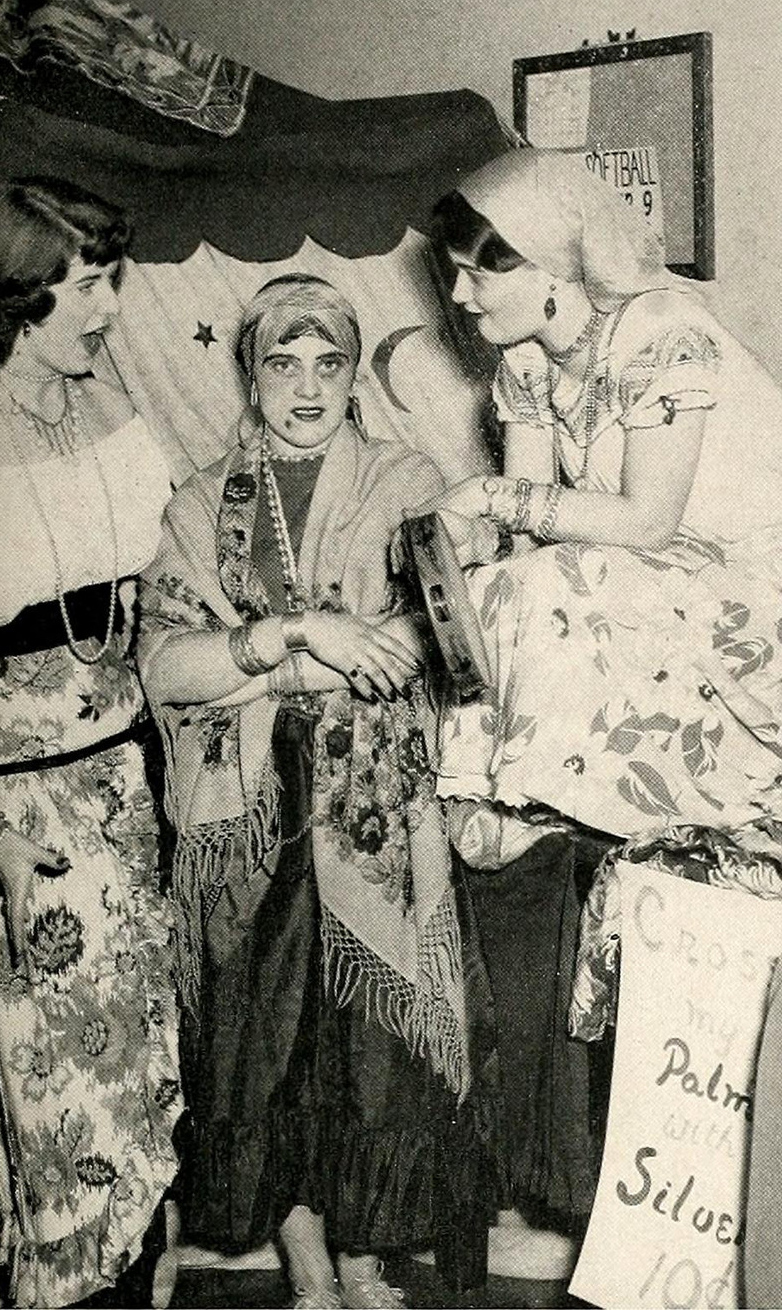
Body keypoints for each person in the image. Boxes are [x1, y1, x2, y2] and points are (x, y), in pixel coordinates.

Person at [418, 147, 782, 1270]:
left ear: (553, 263)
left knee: (546, 586)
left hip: (744, 599)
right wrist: (474, 531)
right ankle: (507, 800)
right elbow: (530, 530)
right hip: (651, 601)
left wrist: (497, 497)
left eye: (481, 271)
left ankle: (534, 787)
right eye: (455, 272)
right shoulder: (527, 363)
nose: (460, 294)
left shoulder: (662, 331)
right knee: (504, 586)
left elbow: (644, 519)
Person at [138, 274, 488, 1310]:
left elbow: (441, 636)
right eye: (281, 363)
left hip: (371, 803)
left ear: (350, 375)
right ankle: (305, 1263)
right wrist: (308, 640)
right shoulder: (200, 504)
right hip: (247, 813)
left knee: (369, 1042)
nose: (305, 386)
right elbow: (164, 667)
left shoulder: (405, 480)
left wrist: (265, 659)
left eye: (328, 363)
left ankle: (366, 1252)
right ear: (251, 376)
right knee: (268, 1042)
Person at [0, 177, 182, 1309]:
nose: (111, 307)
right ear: (22, 289)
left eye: (114, 280)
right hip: (25, 816)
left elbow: (156, 572)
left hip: (127, 787)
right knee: (60, 1088)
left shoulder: (103, 399)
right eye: (91, 284)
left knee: (144, 1072)